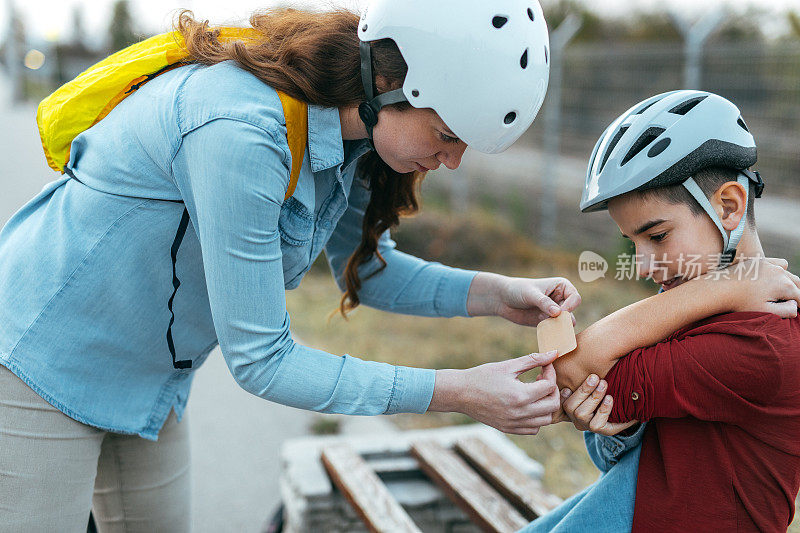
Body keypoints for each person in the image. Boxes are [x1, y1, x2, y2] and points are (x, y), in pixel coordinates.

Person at [0, 2, 576, 531]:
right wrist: (455, 391)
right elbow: (262, 361)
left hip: (150, 375)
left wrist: (498, 293)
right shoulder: (241, 133)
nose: (452, 160)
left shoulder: (353, 135)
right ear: (389, 83)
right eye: (449, 135)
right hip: (40, 362)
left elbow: (369, 272)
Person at [525, 90, 800, 532]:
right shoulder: (693, 309)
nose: (645, 266)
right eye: (632, 243)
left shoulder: (766, 345)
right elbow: (623, 454)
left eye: (657, 236)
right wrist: (722, 287)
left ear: (729, 206)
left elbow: (573, 370)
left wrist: (716, 289)